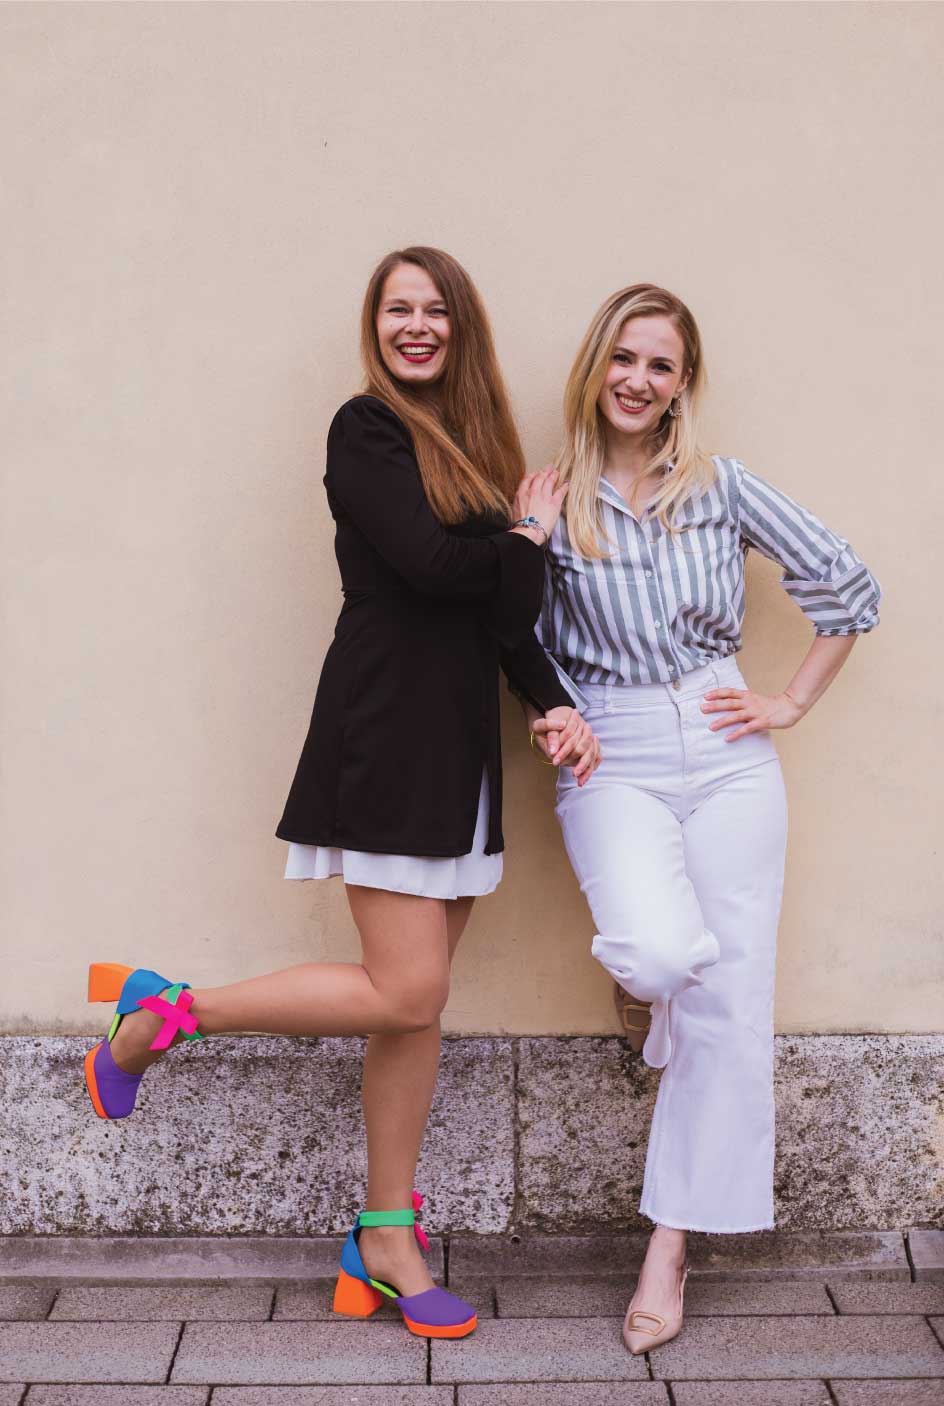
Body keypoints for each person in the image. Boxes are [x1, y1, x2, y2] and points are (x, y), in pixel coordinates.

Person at [83, 246, 598, 1341]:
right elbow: (430, 568)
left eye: (434, 310)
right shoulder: (365, 429)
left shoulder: (479, 451)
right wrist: (524, 539)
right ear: (375, 325)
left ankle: (384, 1233)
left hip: (458, 751)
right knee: (406, 990)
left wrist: (554, 704)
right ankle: (164, 1013)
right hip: (386, 735)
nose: (415, 326)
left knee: (415, 1005)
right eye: (396, 308)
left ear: (461, 327)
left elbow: (504, 618)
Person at [519, 282, 881, 1354]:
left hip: (724, 742)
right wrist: (550, 707)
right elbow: (511, 634)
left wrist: (788, 702)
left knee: (730, 1002)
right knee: (658, 955)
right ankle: (653, 998)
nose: (637, 380)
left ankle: (668, 1245)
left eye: (660, 365)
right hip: (612, 745)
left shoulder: (719, 488)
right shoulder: (549, 498)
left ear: (682, 384)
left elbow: (847, 586)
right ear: (595, 366)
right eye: (623, 358)